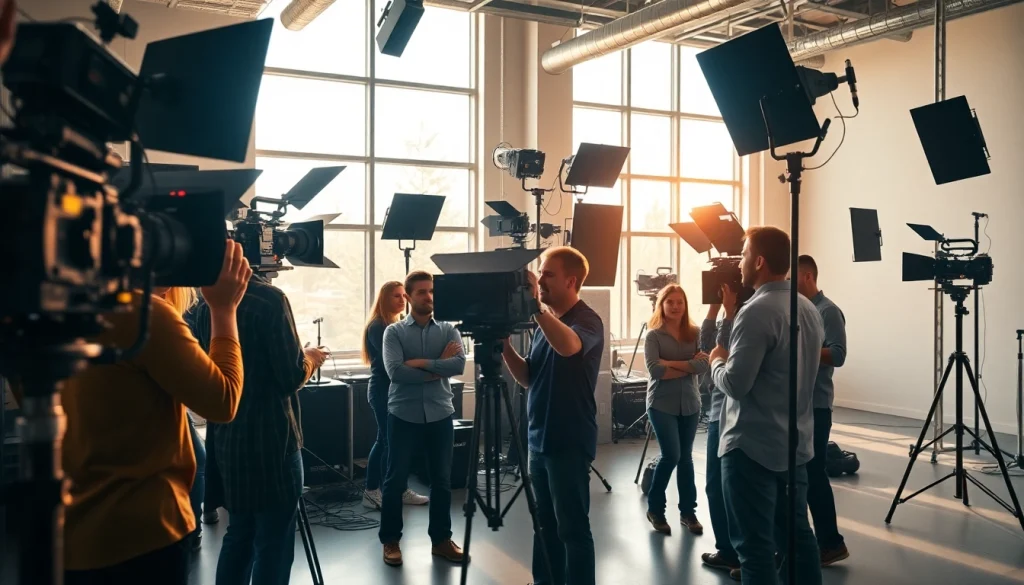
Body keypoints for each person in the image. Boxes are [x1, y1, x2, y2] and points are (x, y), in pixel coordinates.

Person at [8, 241, 250, 585]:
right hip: (144, 535)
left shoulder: (36, 315)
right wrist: (224, 309)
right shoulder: (144, 314)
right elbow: (223, 402)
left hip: (64, 534)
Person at [192, 271, 329, 585]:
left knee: (238, 533)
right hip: (273, 441)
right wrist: (310, 357)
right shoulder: (269, 299)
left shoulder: (204, 301)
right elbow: (289, 376)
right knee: (274, 542)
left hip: (227, 439)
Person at [708, 227, 824, 585]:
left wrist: (715, 361)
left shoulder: (756, 311)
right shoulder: (808, 308)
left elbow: (736, 384)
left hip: (751, 448)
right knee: (799, 540)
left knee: (754, 549)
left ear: (758, 262)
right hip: (795, 445)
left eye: (742, 255)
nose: (738, 264)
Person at [502, 246, 604, 585]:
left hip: (569, 440)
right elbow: (528, 377)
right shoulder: (546, 325)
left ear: (571, 281)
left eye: (548, 274)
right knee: (544, 524)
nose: (540, 280)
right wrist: (503, 346)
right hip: (539, 441)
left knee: (572, 528)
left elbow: (571, 347)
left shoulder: (587, 320)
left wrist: (536, 309)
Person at [378, 271, 467, 567]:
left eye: (431, 292)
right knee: (394, 480)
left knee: (441, 481)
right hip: (402, 413)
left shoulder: (449, 330)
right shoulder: (394, 332)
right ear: (408, 296)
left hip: (441, 413)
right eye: (421, 292)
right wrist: (437, 368)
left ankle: (441, 540)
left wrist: (419, 364)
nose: (428, 296)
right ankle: (390, 540)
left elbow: (458, 364)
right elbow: (395, 372)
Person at [796, 255, 850, 566]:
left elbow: (839, 354)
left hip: (816, 405)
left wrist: (799, 350)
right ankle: (812, 541)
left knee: (814, 473)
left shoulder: (827, 311)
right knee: (804, 472)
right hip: (801, 404)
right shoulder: (802, 310)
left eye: (793, 279)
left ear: (806, 277)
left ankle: (831, 542)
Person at [642, 284, 709, 536]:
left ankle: (688, 512)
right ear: (662, 305)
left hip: (690, 403)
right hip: (661, 404)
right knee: (671, 455)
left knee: (686, 457)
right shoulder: (654, 336)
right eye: (670, 302)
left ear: (685, 304)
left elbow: (703, 366)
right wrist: (688, 365)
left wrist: (670, 363)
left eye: (680, 301)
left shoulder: (695, 332)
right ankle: (656, 510)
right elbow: (655, 371)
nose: (675, 306)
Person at [361, 281, 429, 509]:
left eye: (403, 296)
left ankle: (398, 488)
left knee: (397, 442)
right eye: (396, 296)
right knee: (386, 441)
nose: (402, 300)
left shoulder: (397, 324)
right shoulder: (378, 326)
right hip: (382, 391)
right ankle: (371, 491)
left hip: (397, 391)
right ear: (384, 299)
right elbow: (394, 362)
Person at [155, 286, 208, 552]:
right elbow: (219, 402)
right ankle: (192, 533)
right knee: (197, 460)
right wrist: (225, 313)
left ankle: (194, 530)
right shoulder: (156, 314)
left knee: (198, 459)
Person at [698, 295, 741, 574]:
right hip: (717, 414)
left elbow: (720, 349)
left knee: (730, 487)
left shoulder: (748, 316)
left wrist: (729, 309)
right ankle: (727, 549)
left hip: (731, 414)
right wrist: (715, 307)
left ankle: (738, 551)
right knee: (715, 486)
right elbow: (706, 346)